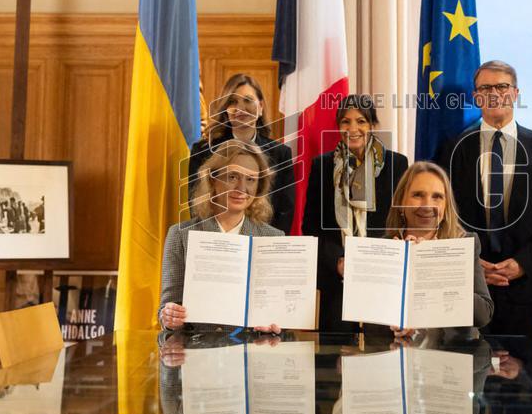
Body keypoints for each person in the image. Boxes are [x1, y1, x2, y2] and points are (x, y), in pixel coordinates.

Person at [439, 60, 532, 343]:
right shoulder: (454, 148)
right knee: (467, 366)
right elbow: (446, 215)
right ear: (476, 97)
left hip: (525, 285)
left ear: (515, 93)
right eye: (485, 88)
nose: (494, 94)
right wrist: (472, 263)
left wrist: (522, 263)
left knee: (521, 367)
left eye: (502, 86)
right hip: (468, 286)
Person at [302, 94, 408, 332]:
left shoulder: (397, 164)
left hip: (382, 278)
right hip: (336, 280)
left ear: (372, 125)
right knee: (334, 352)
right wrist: (337, 261)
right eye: (345, 122)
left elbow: (402, 221)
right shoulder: (322, 166)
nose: (353, 129)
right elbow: (311, 226)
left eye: (361, 121)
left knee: (380, 349)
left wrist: (374, 260)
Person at [158, 139, 285, 334]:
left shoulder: (273, 239)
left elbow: (277, 311)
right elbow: (168, 308)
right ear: (213, 180)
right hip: (195, 347)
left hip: (252, 347)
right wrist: (169, 317)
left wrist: (275, 324)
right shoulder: (180, 235)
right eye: (232, 177)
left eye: (251, 180)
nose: (242, 188)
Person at [384, 161, 494, 333]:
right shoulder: (384, 247)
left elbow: (482, 315)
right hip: (393, 347)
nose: (427, 205)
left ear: (446, 206)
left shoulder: (464, 243)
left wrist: (436, 266)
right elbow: (371, 321)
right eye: (418, 195)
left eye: (437, 197)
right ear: (401, 203)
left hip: (452, 347)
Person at [188, 74, 296, 234]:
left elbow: (285, 211)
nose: (240, 108)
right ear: (226, 109)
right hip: (215, 241)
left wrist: (268, 240)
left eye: (248, 100)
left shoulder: (281, 154)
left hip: (263, 242)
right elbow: (196, 205)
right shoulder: (203, 151)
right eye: (233, 101)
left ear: (260, 107)